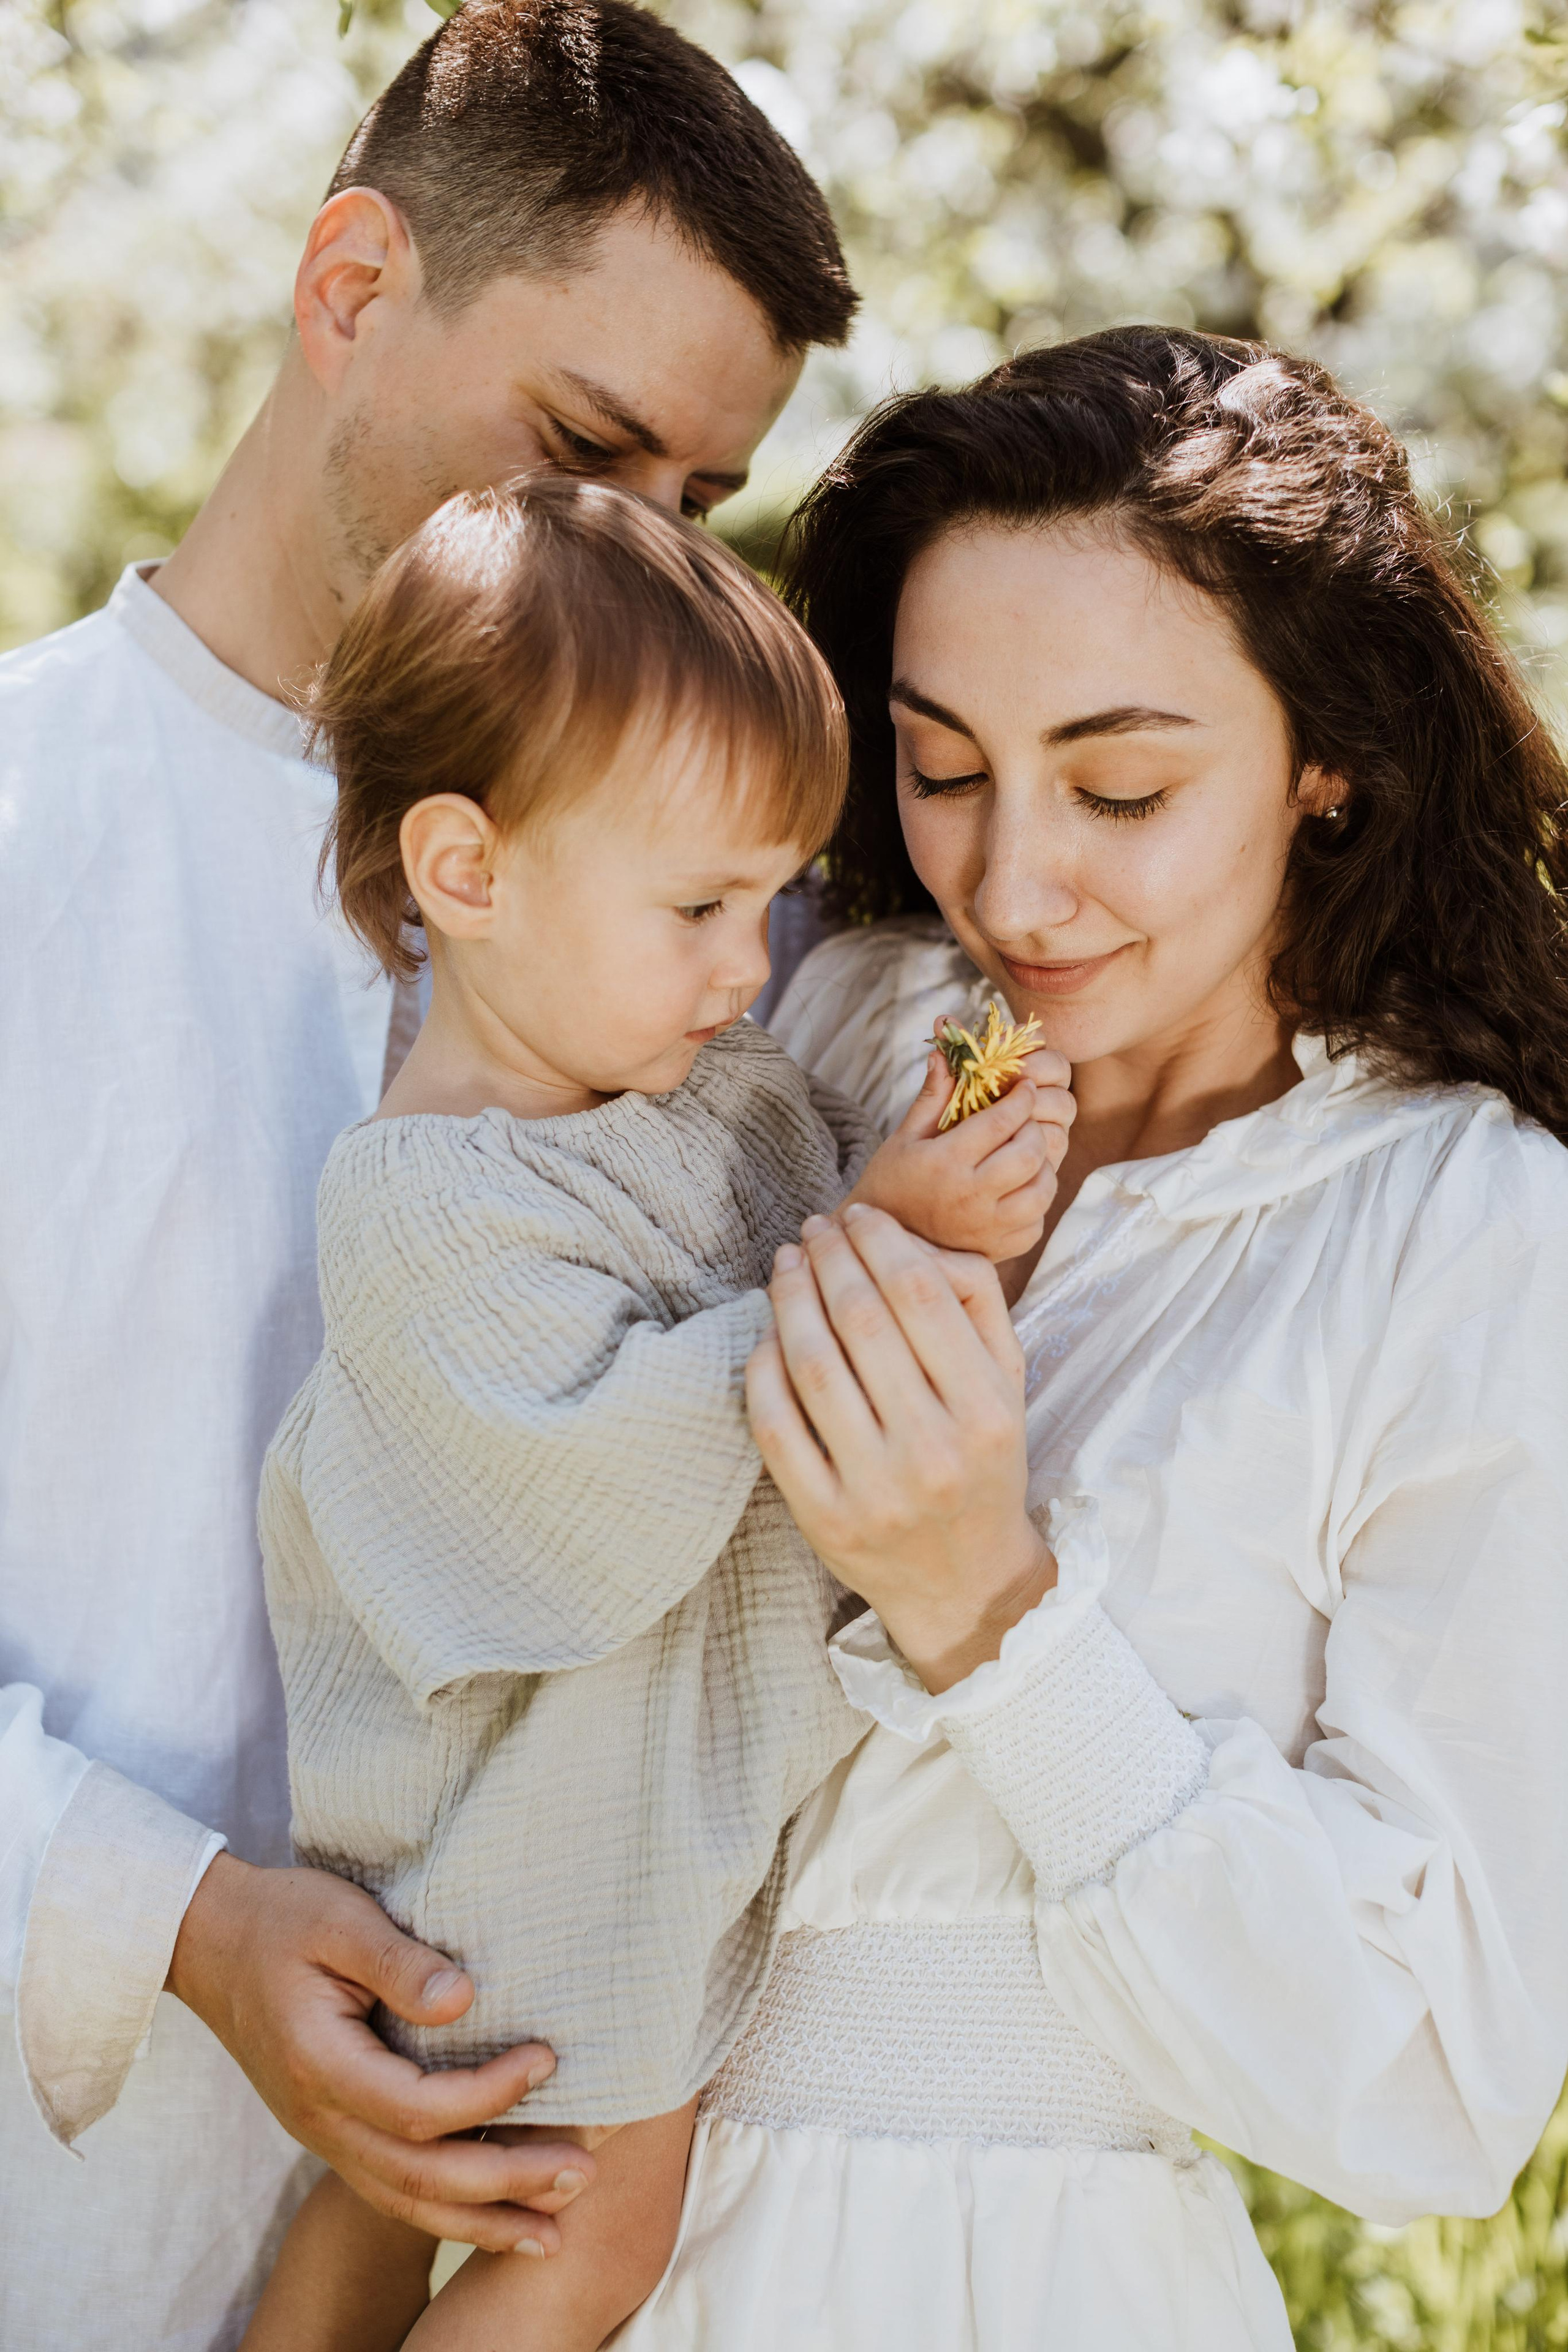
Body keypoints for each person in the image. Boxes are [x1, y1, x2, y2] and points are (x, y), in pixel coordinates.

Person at [0, 6, 858, 2344]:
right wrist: (178, 1923)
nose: (628, 547)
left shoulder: (725, 948)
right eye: (590, 445)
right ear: (354, 285)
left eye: (699, 504)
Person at [615, 328, 1568, 2348]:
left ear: (1330, 758)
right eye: (944, 768)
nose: (1012, 882)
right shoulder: (832, 1026)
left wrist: (992, 1615)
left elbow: (1432, 2094)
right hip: (597, 2231)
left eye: (1121, 786)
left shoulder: (1460, 1233)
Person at [236, 472, 1068, 2351]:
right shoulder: (425, 1199)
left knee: (386, 2207)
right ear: (468, 871)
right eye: (699, 903)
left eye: (768, 902)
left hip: (589, 1800)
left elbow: (813, 1223)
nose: (744, 962)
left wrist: (941, 1159)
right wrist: (877, 1228)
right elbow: (591, 1485)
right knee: (577, 2235)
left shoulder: (699, 1084)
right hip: (512, 1825)